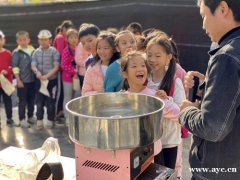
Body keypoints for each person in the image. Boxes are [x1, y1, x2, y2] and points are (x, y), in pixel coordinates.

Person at [179, 0, 240, 179]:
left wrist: (186, 111)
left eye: (204, 15)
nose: (203, 24)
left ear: (222, 8)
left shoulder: (227, 56)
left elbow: (213, 128)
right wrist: (208, 86)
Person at [120, 50, 180, 158]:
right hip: (129, 152)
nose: (140, 69)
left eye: (143, 65)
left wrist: (168, 100)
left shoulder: (154, 96)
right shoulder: (121, 98)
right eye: (134, 66)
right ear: (125, 73)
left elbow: (177, 113)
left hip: (153, 153)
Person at [146, 35, 185, 170]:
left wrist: (167, 100)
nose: (152, 59)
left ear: (168, 57)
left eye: (157, 56)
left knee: (167, 173)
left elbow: (182, 111)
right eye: (149, 55)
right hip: (149, 140)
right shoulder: (144, 78)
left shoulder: (175, 81)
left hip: (169, 140)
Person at [31, 30, 60, 129]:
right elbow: (33, 65)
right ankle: (39, 120)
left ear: (50, 40)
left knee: (50, 101)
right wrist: (37, 73)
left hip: (51, 81)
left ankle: (50, 120)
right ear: (38, 40)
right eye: (41, 39)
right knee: (39, 101)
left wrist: (47, 76)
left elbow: (56, 67)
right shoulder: (36, 52)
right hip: (40, 81)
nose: (43, 42)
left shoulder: (54, 51)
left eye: (45, 39)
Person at [82, 31, 118, 96]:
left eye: (106, 48)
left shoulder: (120, 66)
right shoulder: (92, 68)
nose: (102, 51)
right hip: (99, 104)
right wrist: (100, 94)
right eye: (99, 48)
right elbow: (85, 92)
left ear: (114, 49)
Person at [12, 31, 35, 128]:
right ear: (17, 41)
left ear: (28, 40)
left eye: (24, 40)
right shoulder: (16, 52)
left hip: (32, 81)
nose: (23, 42)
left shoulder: (33, 50)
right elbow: (15, 67)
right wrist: (18, 80)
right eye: (20, 40)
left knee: (31, 100)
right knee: (22, 101)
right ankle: (22, 119)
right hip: (22, 82)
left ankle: (30, 116)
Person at [61, 28, 79, 119]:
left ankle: (75, 116)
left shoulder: (80, 49)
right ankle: (67, 116)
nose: (74, 39)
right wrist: (74, 71)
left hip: (78, 78)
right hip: (68, 78)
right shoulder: (66, 51)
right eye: (71, 37)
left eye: (75, 37)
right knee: (67, 96)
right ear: (67, 39)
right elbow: (64, 65)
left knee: (76, 97)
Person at [0, 30, 14, 126]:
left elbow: (12, 66)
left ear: (3, 40)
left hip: (6, 82)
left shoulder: (8, 53)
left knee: (8, 101)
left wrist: (7, 71)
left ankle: (9, 118)